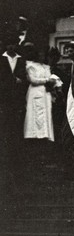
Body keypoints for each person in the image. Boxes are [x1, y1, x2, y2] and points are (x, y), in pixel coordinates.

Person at [0, 36, 28, 205]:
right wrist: (12, 81)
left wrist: (18, 81)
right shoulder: (1, 59)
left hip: (16, 100)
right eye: (7, 43)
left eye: (13, 43)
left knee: (15, 129)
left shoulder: (20, 59)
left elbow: (24, 78)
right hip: (4, 100)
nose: (10, 46)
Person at [23, 45, 61, 142]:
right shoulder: (30, 65)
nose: (41, 56)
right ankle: (34, 135)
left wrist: (53, 83)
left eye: (43, 54)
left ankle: (45, 134)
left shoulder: (46, 67)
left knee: (45, 112)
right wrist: (47, 80)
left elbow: (50, 78)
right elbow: (33, 80)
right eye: (39, 54)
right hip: (35, 91)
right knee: (36, 113)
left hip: (45, 92)